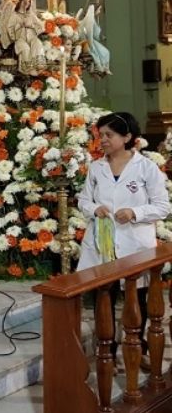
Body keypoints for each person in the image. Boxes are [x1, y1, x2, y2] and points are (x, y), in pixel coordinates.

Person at [78, 112, 170, 367]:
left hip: (135, 244)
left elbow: (162, 206)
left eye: (109, 135)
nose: (103, 140)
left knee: (136, 300)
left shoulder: (146, 167)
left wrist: (135, 213)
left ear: (127, 136)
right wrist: (93, 208)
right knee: (102, 298)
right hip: (102, 244)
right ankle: (106, 349)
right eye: (100, 135)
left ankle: (137, 349)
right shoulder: (96, 167)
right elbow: (84, 200)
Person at [0, 0, 45, 74]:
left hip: (32, 38)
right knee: (25, 49)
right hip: (20, 39)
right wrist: (19, 27)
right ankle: (27, 69)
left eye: (28, 2)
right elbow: (9, 28)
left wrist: (31, 26)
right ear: (20, 2)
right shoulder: (14, 16)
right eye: (24, 1)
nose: (26, 3)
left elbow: (41, 26)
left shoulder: (31, 15)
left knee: (37, 44)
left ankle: (38, 65)